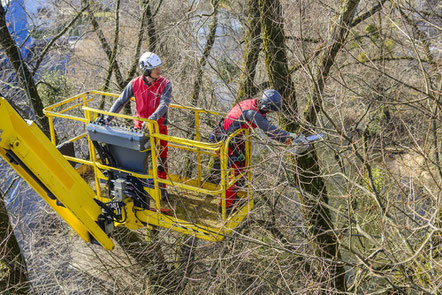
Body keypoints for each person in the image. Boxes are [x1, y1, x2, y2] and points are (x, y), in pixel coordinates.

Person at [209, 89, 306, 214]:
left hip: (233, 139)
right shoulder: (252, 113)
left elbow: (263, 122)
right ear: (267, 106)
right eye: (271, 110)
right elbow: (269, 130)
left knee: (242, 169)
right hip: (224, 141)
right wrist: (288, 136)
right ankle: (225, 207)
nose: (270, 112)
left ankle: (232, 197)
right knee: (234, 173)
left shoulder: (253, 103)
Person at [104, 52, 172, 200]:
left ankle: (161, 190)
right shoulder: (134, 84)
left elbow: (164, 104)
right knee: (138, 159)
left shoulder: (165, 84)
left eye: (159, 68)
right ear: (147, 71)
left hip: (158, 127)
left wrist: (152, 119)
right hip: (140, 128)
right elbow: (121, 101)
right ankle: (138, 189)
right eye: (156, 69)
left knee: (161, 160)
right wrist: (107, 118)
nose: (159, 71)